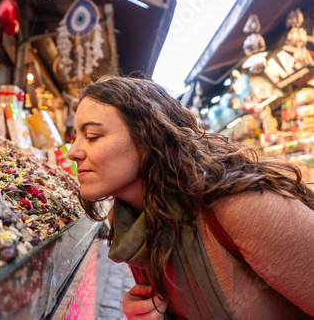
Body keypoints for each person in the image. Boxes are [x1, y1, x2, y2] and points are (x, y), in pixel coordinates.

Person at [67, 76, 314, 319]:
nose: (73, 152)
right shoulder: (131, 225)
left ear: (147, 139)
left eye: (92, 136)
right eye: (76, 136)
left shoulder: (241, 208)